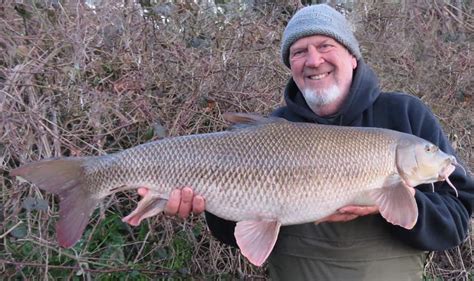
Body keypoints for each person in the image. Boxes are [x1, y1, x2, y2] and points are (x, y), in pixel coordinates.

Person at [142, 4, 474, 280]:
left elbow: (458, 217)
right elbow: (235, 231)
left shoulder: (404, 115)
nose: (314, 60)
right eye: (300, 52)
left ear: (353, 57)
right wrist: (205, 204)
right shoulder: (273, 129)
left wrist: (398, 204)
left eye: (326, 46)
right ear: (292, 67)